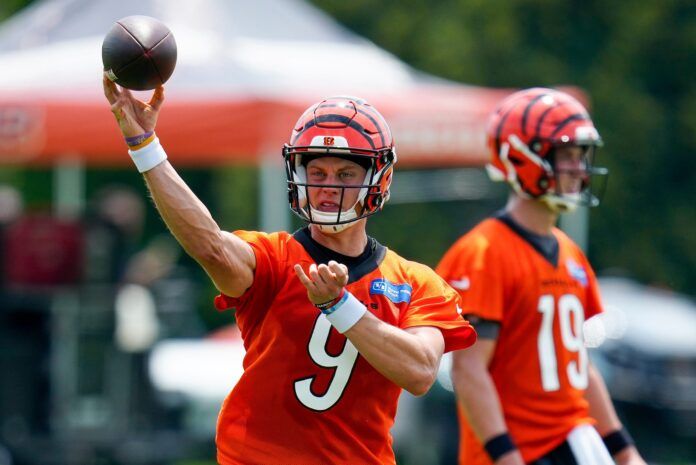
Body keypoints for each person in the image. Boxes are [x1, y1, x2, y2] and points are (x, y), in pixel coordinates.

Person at [102, 75, 476, 465]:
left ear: (378, 178)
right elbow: (210, 246)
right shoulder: (274, 257)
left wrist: (339, 307)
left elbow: (420, 371)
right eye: (318, 173)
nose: (329, 186)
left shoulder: (414, 281)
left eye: (346, 174)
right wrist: (145, 146)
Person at [436, 88, 647, 465]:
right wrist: (506, 455)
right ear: (522, 157)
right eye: (566, 155)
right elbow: (468, 370)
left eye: (580, 156)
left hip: (574, 444)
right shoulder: (483, 254)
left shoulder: (569, 252)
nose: (579, 168)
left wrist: (623, 449)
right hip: (519, 449)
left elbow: (579, 363)